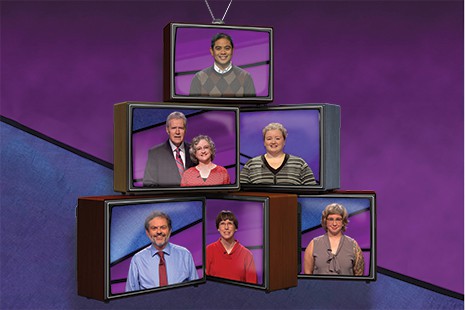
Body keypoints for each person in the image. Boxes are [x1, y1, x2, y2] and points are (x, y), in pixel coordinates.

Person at [125, 211, 198, 291]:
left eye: (163, 227)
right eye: (154, 228)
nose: (159, 232)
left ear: (170, 230)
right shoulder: (138, 259)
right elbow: (130, 294)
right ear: (148, 233)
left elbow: (196, 289)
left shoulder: (185, 255)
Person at [240, 122, 316, 185]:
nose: (273, 142)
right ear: (264, 142)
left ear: (284, 141)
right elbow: (240, 193)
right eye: (269, 139)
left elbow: (312, 191)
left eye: (277, 138)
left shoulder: (299, 164)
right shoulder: (251, 164)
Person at [303, 203, 365, 276]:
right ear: (325, 221)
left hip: (346, 287)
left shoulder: (353, 245)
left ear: (343, 222)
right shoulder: (313, 244)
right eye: (331, 219)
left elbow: (359, 275)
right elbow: (307, 274)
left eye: (338, 219)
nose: (334, 223)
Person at [189, 33, 256, 97]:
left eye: (227, 48)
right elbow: (193, 107)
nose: (223, 52)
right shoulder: (199, 78)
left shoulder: (245, 77)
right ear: (212, 51)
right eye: (218, 48)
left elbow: (252, 106)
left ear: (232, 50)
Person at [143, 111, 194, 187]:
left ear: (185, 130)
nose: (177, 132)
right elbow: (148, 184)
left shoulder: (194, 151)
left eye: (180, 128)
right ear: (167, 130)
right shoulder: (155, 153)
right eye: (173, 128)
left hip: (193, 198)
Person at [206, 210, 258, 283]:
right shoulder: (209, 250)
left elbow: (252, 286)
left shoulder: (247, 255)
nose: (226, 227)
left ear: (236, 228)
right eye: (222, 224)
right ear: (218, 228)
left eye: (230, 223)